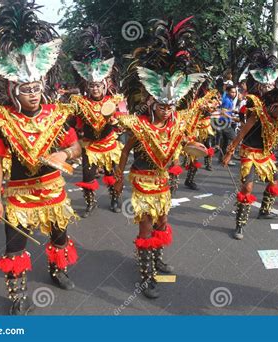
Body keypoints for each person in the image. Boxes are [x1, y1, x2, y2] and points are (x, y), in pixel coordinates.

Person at [0, 0, 81, 315]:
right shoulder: (2, 122)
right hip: (18, 195)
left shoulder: (58, 115)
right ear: (12, 89)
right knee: (15, 244)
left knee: (60, 236)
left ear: (42, 84)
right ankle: (17, 295)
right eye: (24, 88)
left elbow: (76, 147)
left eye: (35, 87)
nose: (31, 93)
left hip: (54, 192)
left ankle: (58, 270)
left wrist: (65, 152)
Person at [116, 16, 205, 299]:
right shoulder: (139, 124)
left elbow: (186, 142)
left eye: (171, 104)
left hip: (164, 181)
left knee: (162, 222)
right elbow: (127, 148)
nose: (167, 109)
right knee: (145, 224)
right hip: (142, 180)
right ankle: (146, 276)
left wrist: (197, 148)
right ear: (150, 99)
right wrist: (119, 175)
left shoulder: (177, 122)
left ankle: (156, 259)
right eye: (162, 104)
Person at [223, 49, 278, 240]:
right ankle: (239, 225)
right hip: (250, 153)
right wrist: (230, 151)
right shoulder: (255, 106)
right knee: (247, 189)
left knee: (275, 182)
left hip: (265, 154)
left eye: (271, 84)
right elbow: (243, 131)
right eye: (265, 84)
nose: (268, 87)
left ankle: (265, 210)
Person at [68, 25, 124, 216]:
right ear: (87, 86)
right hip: (90, 146)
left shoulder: (113, 101)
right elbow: (72, 122)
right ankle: (90, 204)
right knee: (88, 176)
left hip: (109, 145)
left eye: (98, 85)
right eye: (91, 86)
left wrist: (118, 123)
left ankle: (115, 200)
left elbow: (121, 121)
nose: (95, 89)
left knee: (111, 175)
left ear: (104, 85)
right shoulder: (80, 103)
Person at [218, 85, 238, 165]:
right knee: (235, 139)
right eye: (232, 92)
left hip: (225, 122)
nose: (234, 94)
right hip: (225, 123)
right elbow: (223, 112)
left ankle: (221, 158)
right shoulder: (226, 100)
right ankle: (228, 158)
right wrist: (233, 118)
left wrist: (234, 111)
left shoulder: (229, 99)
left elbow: (227, 110)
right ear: (228, 92)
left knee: (225, 142)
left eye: (235, 92)